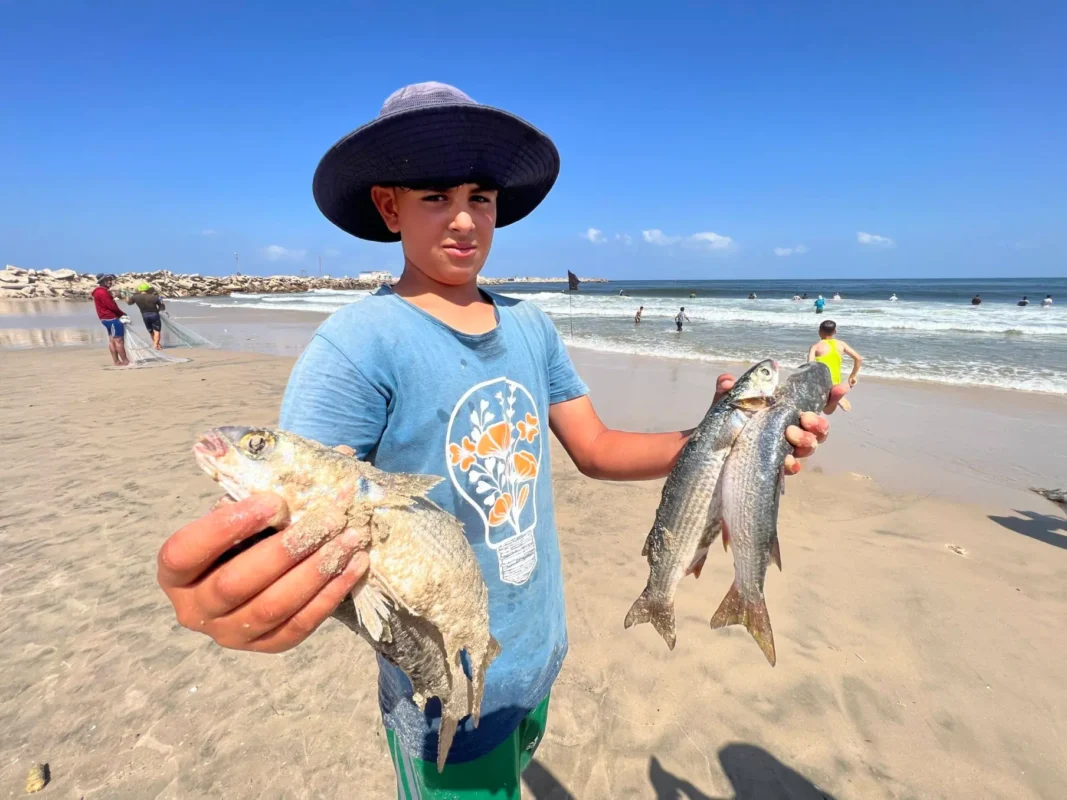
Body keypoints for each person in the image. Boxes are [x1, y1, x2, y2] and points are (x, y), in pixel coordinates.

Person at [154, 82, 845, 799]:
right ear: (388, 206)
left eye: (480, 197)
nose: (464, 219)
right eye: (435, 197)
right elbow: (295, 504)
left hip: (536, 652)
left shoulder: (529, 326)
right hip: (442, 686)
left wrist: (721, 437)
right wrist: (233, 591)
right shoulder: (356, 346)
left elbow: (596, 449)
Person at [808, 319, 863, 387]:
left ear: (819, 332)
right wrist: (852, 376)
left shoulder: (815, 347)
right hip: (836, 383)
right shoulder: (841, 344)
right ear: (834, 332)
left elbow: (809, 365)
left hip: (821, 384)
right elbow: (858, 358)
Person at [91, 274, 130, 367]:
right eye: (107, 280)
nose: (109, 282)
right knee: (119, 340)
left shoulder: (97, 291)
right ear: (101, 282)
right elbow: (111, 306)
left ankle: (117, 362)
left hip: (104, 319)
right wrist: (122, 314)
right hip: (111, 318)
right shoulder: (102, 292)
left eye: (110, 280)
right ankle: (125, 361)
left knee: (112, 341)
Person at [128, 282, 166, 350]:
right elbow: (162, 307)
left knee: (151, 331)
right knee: (157, 330)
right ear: (148, 289)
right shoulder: (155, 297)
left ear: (139, 289)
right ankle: (155, 345)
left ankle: (157, 344)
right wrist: (159, 309)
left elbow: (129, 303)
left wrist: (126, 296)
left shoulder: (135, 297)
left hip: (144, 315)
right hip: (154, 314)